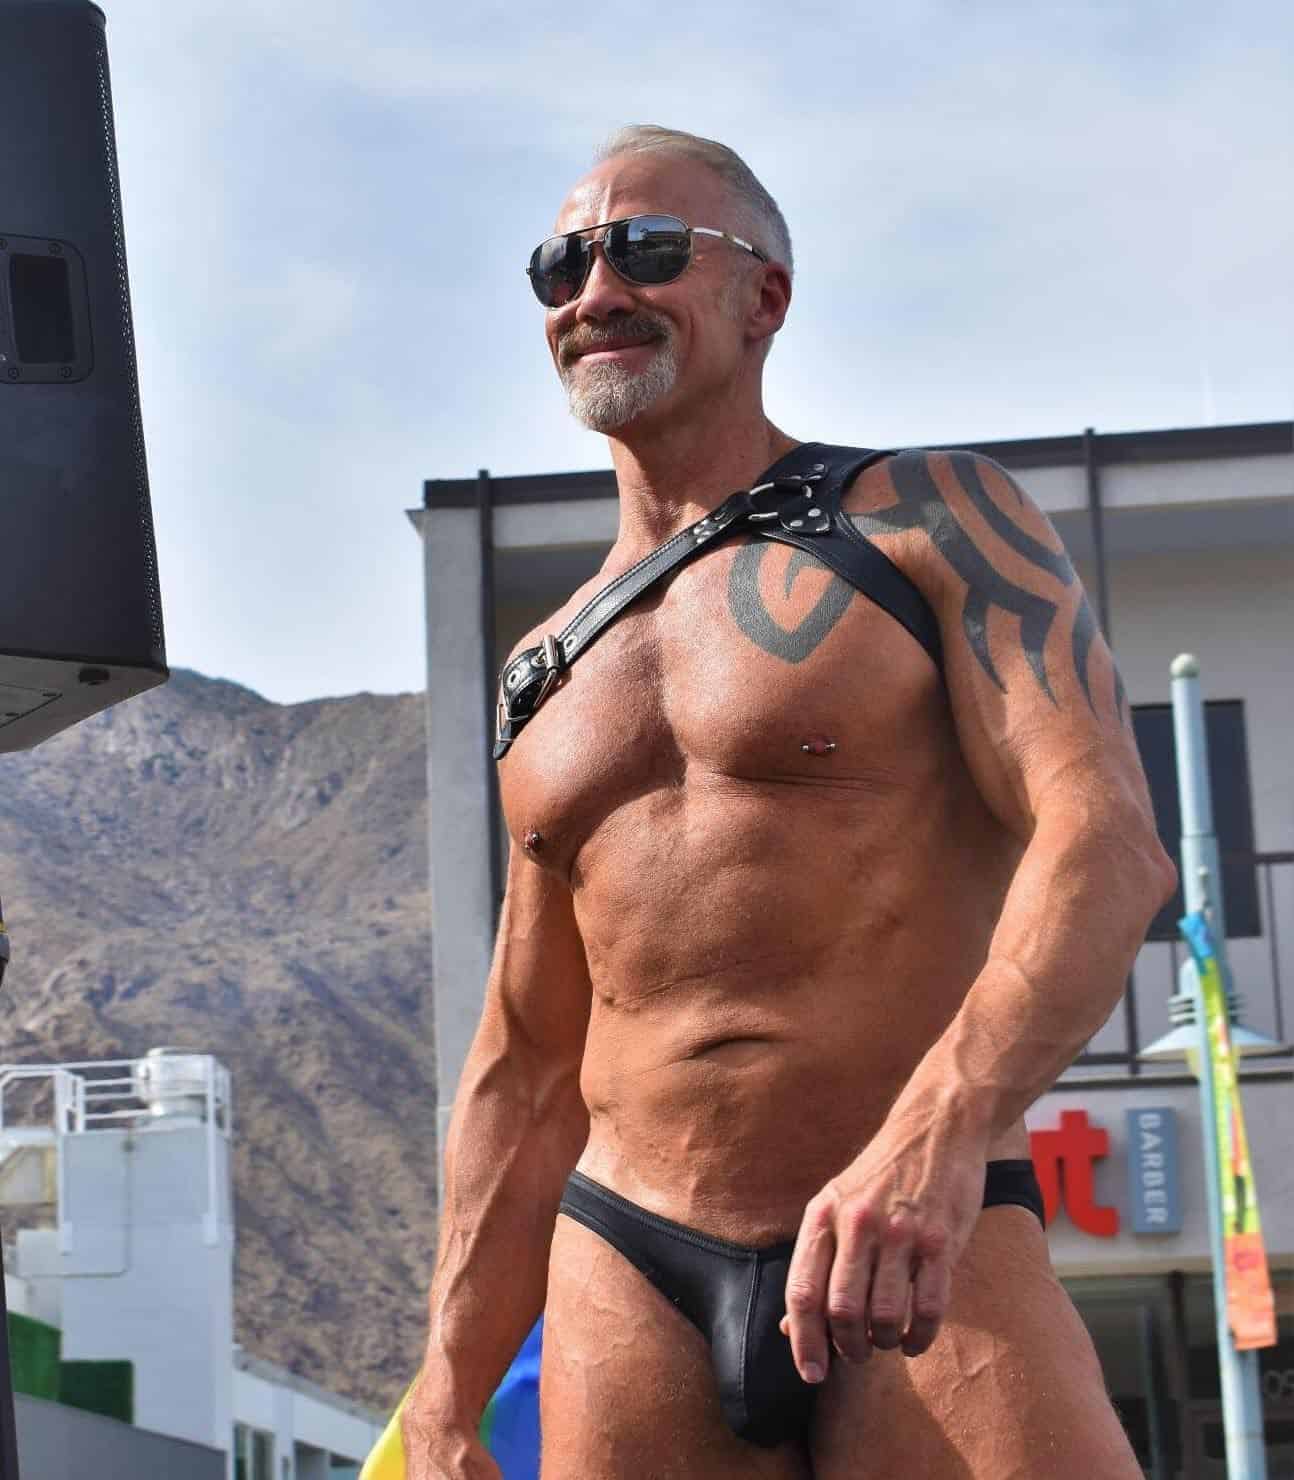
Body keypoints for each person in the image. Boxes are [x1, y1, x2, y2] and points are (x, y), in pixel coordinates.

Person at [402, 125, 1176, 1479]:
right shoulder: (544, 667)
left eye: (648, 249)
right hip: (626, 1259)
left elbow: (1103, 841)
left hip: (911, 1222)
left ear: (764, 296)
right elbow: (525, 1058)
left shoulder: (924, 519)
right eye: (561, 267)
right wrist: (448, 1386)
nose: (597, 292)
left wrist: (937, 1136)